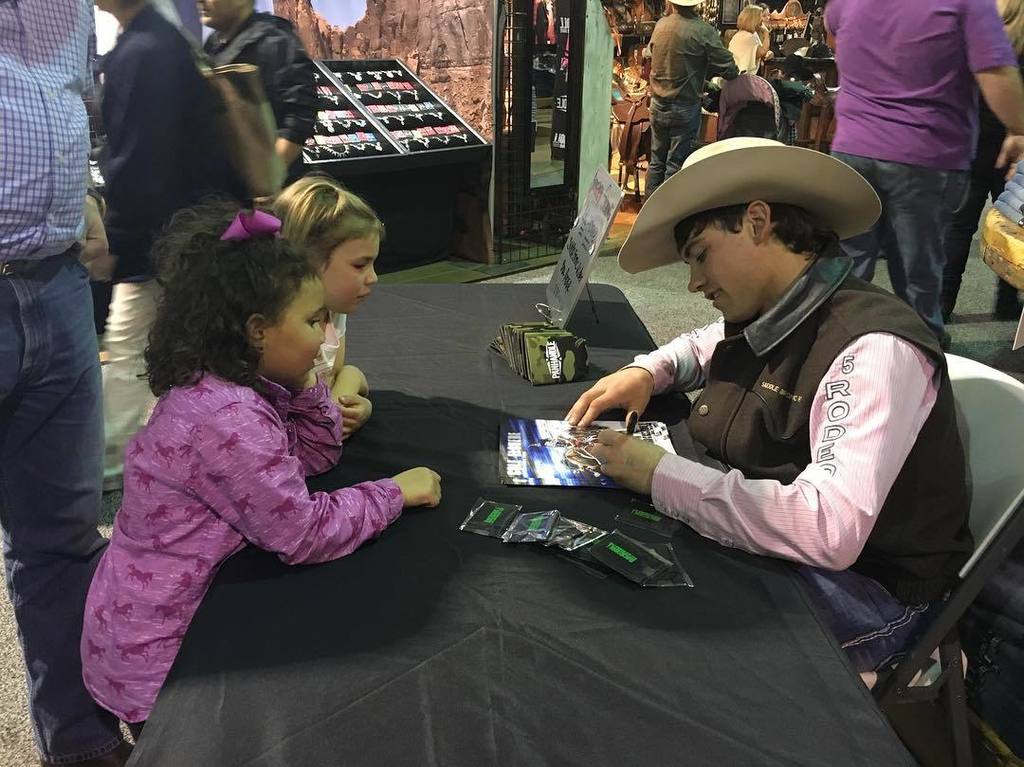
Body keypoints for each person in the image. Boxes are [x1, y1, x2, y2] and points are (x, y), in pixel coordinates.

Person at [567, 138, 973, 680]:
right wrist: (647, 371)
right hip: (804, 559)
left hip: (875, 592)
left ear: (757, 222)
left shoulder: (873, 349)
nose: (694, 283)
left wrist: (659, 474)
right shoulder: (782, 309)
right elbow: (705, 344)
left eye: (701, 255)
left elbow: (828, 528)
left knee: (644, 637)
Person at [80, 202, 442, 729]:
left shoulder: (239, 384)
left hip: (158, 622)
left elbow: (315, 456)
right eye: (313, 321)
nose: (324, 336)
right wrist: (394, 493)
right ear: (257, 331)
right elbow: (303, 533)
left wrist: (309, 383)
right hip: (163, 653)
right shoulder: (229, 418)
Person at [0, 4, 133, 765]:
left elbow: (76, 103)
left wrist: (80, 193)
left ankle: (78, 740)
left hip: (57, 285)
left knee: (61, 538)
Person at [825, 0, 1024, 348]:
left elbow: (835, 39)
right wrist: (1019, 129)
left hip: (852, 148)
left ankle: (837, 350)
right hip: (924, 153)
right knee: (917, 275)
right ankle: (923, 354)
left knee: (847, 268)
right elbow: (994, 71)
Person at [97, 0, 236, 489]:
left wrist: (120, 237)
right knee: (173, 346)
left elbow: (140, 158)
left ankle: (112, 464)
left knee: (130, 346)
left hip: (163, 237)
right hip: (184, 229)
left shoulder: (144, 48)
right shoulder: (163, 41)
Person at [274, 175, 381, 437]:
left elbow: (338, 373)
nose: (373, 278)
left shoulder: (332, 311)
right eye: (360, 265)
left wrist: (359, 405)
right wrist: (349, 388)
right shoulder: (279, 330)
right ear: (307, 261)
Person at [942, 0, 1024, 322]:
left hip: (971, 142)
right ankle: (1007, 304)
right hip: (1015, 148)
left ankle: (942, 306)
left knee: (958, 229)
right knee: (1014, 228)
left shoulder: (974, 35)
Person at [201, 0, 317, 177]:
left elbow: (299, 117)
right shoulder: (213, 44)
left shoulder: (275, 38)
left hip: (269, 186)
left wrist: (267, 178)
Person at [645, 0, 738, 197]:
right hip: (684, 107)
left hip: (658, 103)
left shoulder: (661, 25)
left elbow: (652, 55)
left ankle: (649, 209)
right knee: (675, 165)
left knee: (656, 162)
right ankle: (669, 211)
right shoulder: (703, 30)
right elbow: (729, 68)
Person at [729, 4, 772, 75]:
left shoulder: (747, 34)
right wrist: (766, 33)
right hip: (741, 77)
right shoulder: (747, 37)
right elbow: (762, 52)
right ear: (753, 19)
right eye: (760, 16)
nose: (762, 20)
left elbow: (761, 52)